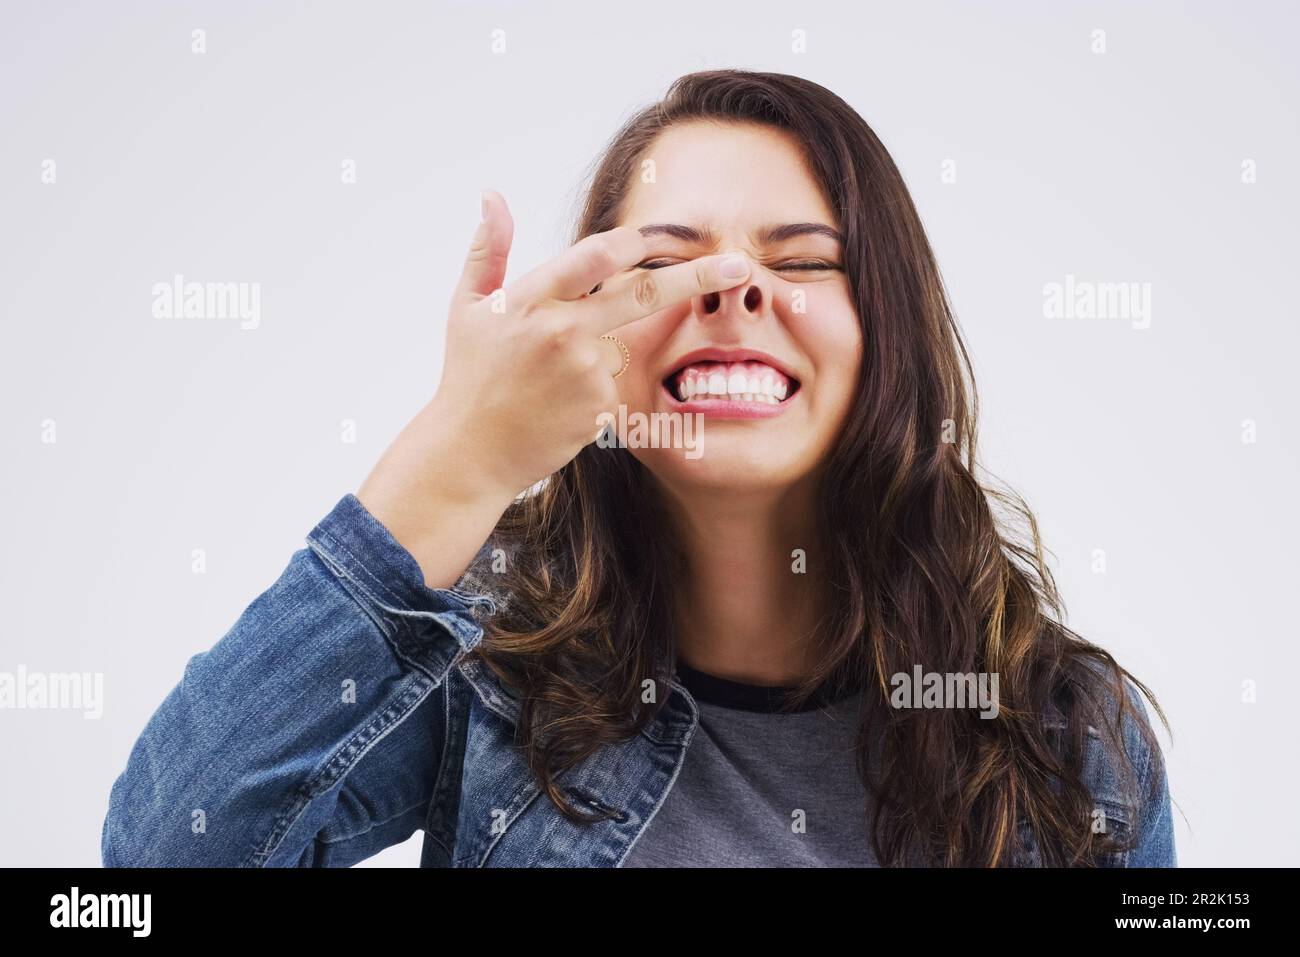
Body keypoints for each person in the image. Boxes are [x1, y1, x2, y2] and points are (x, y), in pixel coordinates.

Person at [101, 68, 1175, 868]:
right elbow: (151, 871)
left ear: (887, 332)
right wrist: (457, 455)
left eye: (800, 260)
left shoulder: (1065, 732)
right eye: (665, 263)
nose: (733, 289)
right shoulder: (491, 668)